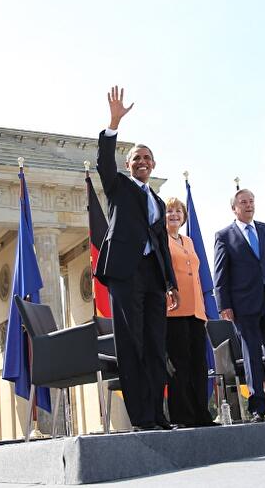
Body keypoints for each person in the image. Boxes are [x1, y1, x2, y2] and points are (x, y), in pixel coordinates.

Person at [94, 86, 179, 431]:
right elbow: (103, 163)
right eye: (136, 159)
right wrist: (113, 123)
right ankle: (141, 417)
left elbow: (162, 245)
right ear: (128, 166)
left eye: (147, 158)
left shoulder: (157, 201)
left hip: (153, 277)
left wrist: (171, 283)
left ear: (153, 165)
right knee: (133, 344)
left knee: (156, 345)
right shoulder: (119, 186)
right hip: (125, 273)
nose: (142, 162)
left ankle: (158, 414)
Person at [212, 189, 265, 422]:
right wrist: (224, 304)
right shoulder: (224, 236)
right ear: (234, 208)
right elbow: (220, 274)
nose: (249, 205)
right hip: (243, 306)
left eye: (251, 201)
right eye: (243, 202)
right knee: (251, 356)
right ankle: (257, 408)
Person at [164, 197, 217, 427]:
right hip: (174, 310)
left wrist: (202, 310)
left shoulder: (189, 241)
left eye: (178, 211)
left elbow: (195, 276)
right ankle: (182, 416)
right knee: (180, 364)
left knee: (199, 364)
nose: (174, 214)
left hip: (196, 311)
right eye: (169, 211)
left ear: (184, 216)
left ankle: (201, 414)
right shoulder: (161, 239)